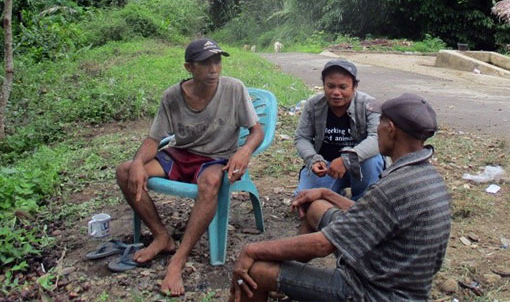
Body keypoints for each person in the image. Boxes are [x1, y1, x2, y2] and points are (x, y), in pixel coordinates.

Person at [228, 93, 451, 302]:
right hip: (400, 280)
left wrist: (252, 249)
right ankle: (288, 272)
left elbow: (322, 245)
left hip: (372, 292)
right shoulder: (427, 176)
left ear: (390, 129)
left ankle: (273, 277)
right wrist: (326, 193)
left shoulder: (394, 187)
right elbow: (370, 211)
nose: (377, 130)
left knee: (255, 270)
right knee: (317, 207)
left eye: (380, 122)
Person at [116, 38, 264, 296]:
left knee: (210, 183)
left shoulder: (233, 89)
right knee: (125, 171)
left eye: (217, 61)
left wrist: (244, 150)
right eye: (205, 64)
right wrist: (138, 162)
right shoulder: (173, 96)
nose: (214, 69)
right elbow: (154, 139)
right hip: (181, 153)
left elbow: (256, 130)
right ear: (189, 67)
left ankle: (178, 260)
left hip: (216, 158)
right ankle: (162, 237)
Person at [294, 59, 384, 200]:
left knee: (372, 162)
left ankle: (362, 201)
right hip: (327, 168)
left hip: (360, 165)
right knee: (304, 202)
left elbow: (378, 139)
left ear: (354, 87)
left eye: (343, 87)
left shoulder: (369, 105)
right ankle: (337, 194)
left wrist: (347, 160)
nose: (336, 92)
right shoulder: (313, 105)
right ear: (323, 85)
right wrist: (313, 159)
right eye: (330, 86)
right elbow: (302, 137)